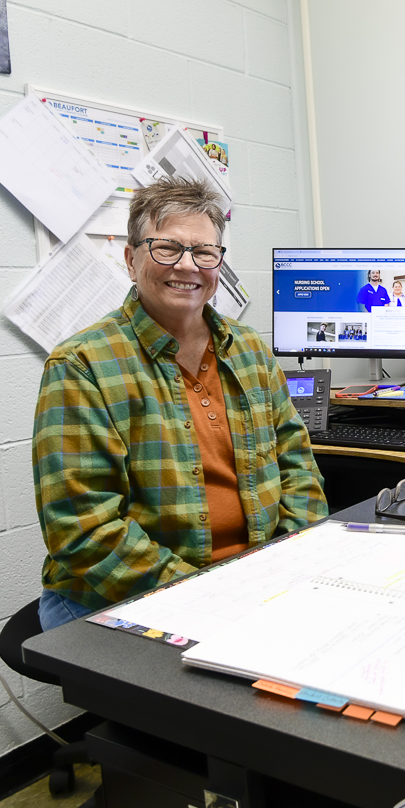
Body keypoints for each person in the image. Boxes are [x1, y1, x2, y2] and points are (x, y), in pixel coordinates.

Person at [33, 178, 328, 631]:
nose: (188, 266)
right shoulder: (82, 365)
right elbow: (83, 529)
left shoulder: (248, 348)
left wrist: (283, 568)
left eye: (204, 252)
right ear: (131, 260)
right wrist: (209, 599)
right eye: (167, 248)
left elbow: (299, 469)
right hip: (129, 592)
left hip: (254, 579)